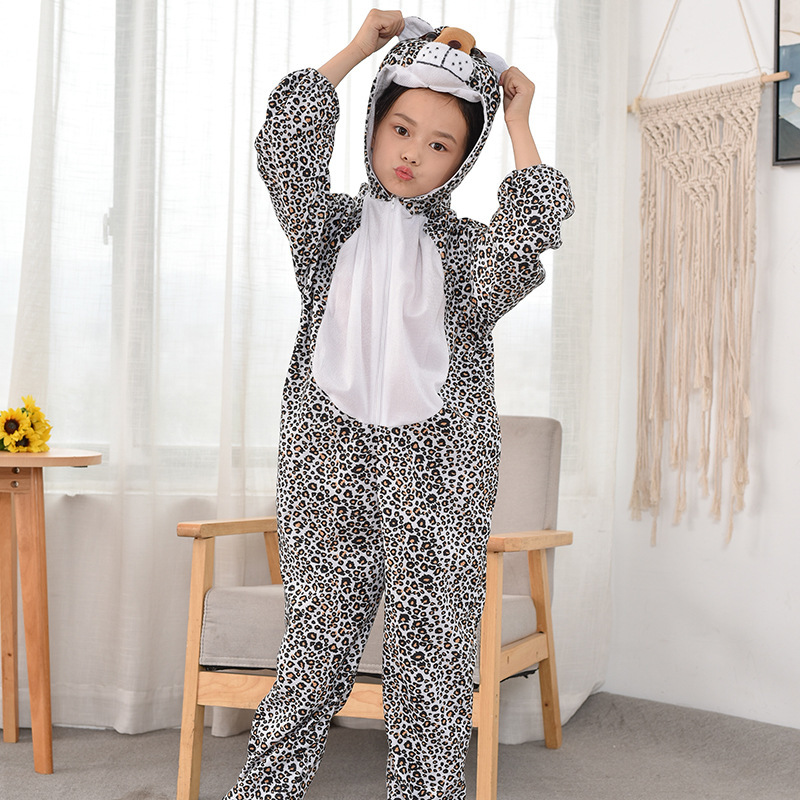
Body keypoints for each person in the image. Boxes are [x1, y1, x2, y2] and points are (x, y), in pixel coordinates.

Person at [224, 9, 573, 800]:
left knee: (433, 673)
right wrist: (359, 47)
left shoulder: (467, 255)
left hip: (440, 482)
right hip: (327, 469)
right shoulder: (327, 232)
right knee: (311, 659)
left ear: (463, 159)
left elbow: (530, 229)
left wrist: (519, 122)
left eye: (440, 144)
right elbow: (285, 147)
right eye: (401, 129)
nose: (413, 153)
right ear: (375, 125)